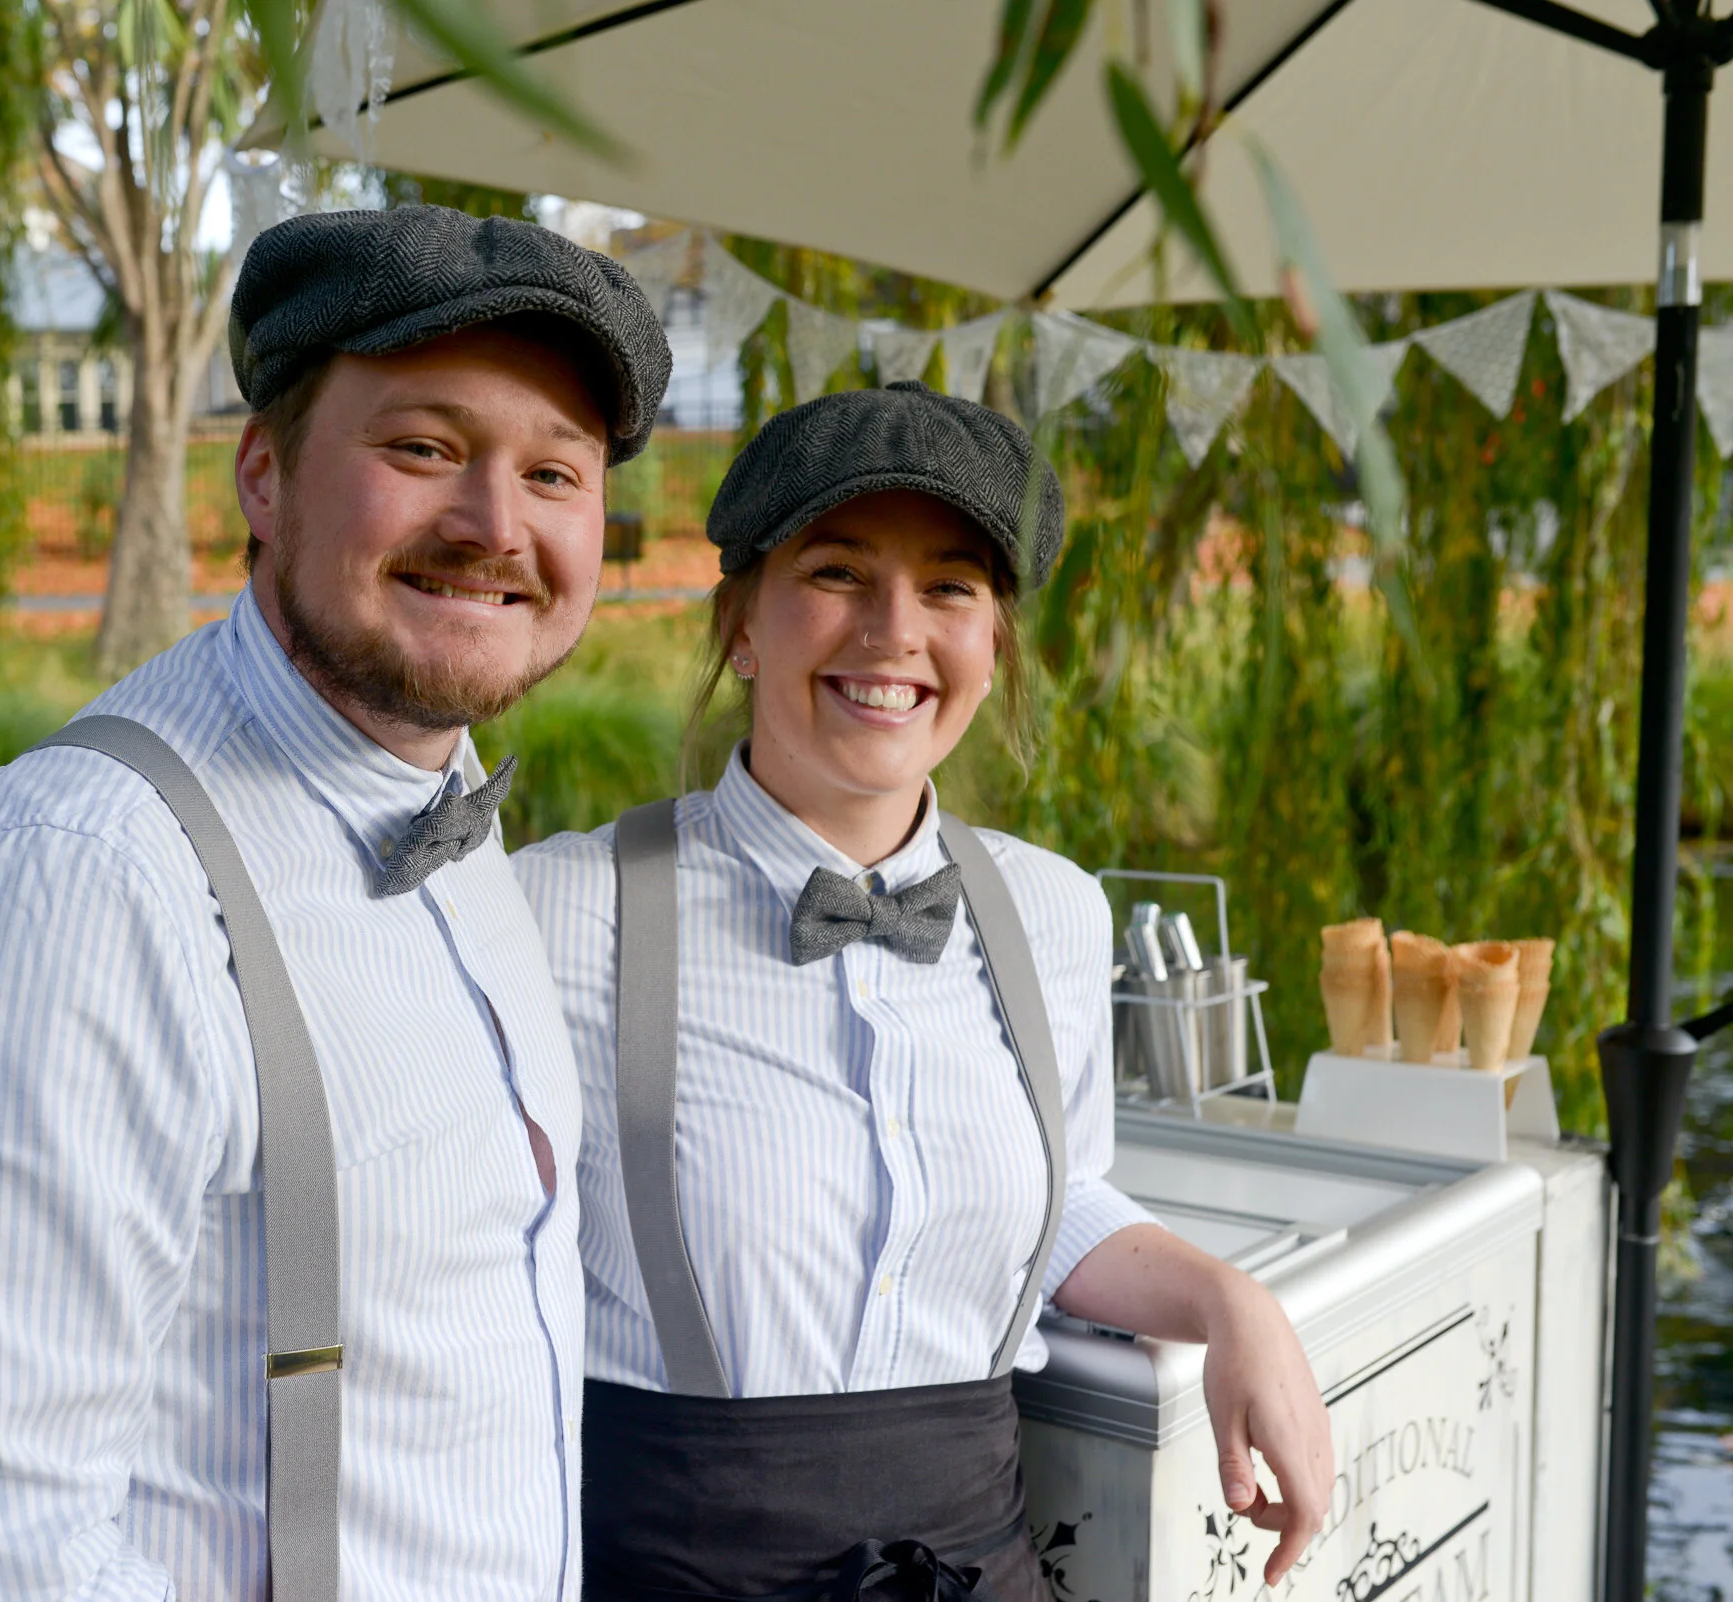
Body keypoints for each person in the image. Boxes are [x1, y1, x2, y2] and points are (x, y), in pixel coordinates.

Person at [0, 204, 671, 1600]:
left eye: (556, 472)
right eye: (424, 448)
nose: (493, 526)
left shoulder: (456, 812)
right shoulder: (79, 882)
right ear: (266, 474)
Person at [515, 382, 1332, 1602]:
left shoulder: (1052, 913)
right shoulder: (559, 910)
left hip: (976, 1567)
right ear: (741, 626)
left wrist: (1230, 1300)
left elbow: (1055, 1202)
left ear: (993, 647)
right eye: (838, 573)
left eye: (950, 587)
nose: (893, 632)